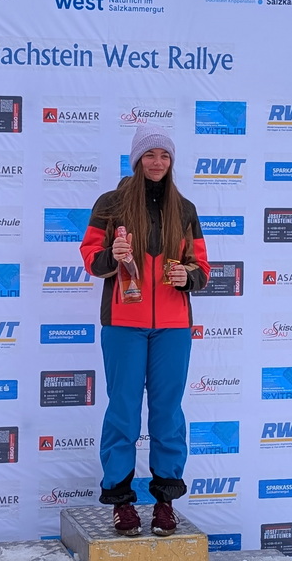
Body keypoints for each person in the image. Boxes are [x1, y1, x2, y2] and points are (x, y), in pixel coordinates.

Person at [79, 124, 210, 537]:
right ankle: (121, 501)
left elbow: (202, 268)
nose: (157, 162)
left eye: (164, 155)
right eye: (150, 154)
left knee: (168, 414)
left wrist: (187, 276)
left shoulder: (184, 209)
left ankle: (165, 501)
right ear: (137, 159)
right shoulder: (111, 204)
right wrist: (111, 256)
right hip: (124, 324)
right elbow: (90, 258)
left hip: (173, 327)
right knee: (123, 411)